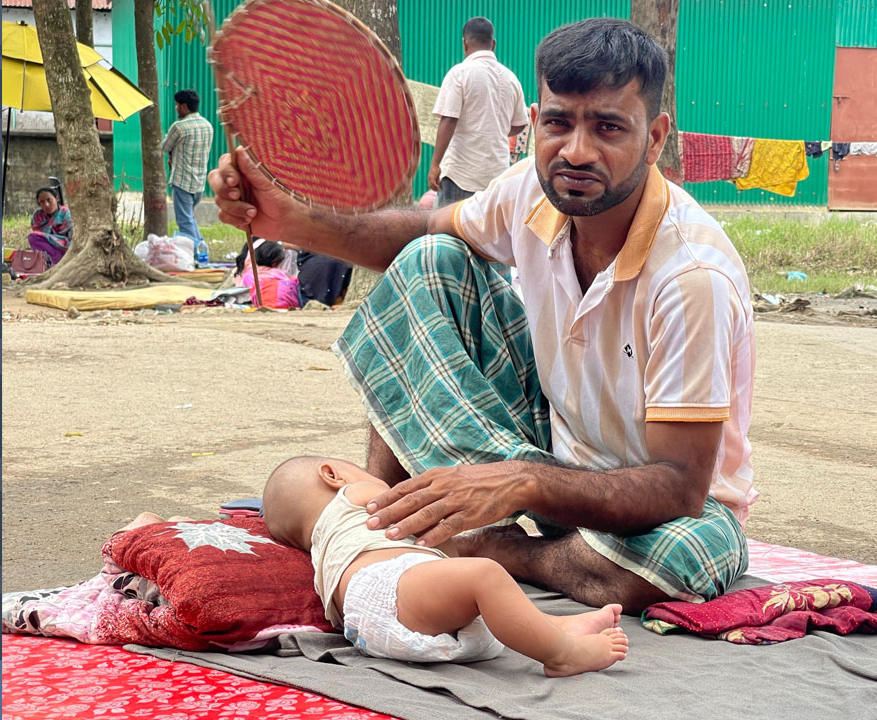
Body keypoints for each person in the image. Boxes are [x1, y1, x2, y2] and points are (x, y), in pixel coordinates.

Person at [210, 19, 756, 614]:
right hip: (555, 447)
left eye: (608, 127)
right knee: (431, 259)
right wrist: (289, 220)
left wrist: (521, 481)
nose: (576, 151)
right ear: (534, 121)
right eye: (559, 123)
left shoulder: (691, 277)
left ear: (653, 139)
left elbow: (678, 485)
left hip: (667, 508)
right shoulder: (530, 190)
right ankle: (388, 511)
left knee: (682, 554)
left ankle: (499, 549)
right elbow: (423, 228)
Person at [263, 455, 628, 676]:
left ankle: (559, 627)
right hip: (387, 586)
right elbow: (430, 522)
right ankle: (563, 655)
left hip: (364, 626)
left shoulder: (322, 549)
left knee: (486, 601)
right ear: (333, 475)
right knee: (485, 575)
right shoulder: (356, 496)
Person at [428, 17, 528, 208]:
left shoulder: (459, 73)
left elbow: (449, 120)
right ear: (493, 44)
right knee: (487, 228)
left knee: (447, 226)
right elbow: (520, 124)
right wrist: (496, 128)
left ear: (465, 43)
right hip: (496, 176)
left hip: (460, 174)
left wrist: (435, 165)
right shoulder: (511, 78)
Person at [162, 89, 215, 246]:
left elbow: (164, 146)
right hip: (199, 184)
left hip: (182, 182)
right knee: (189, 219)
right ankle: (201, 249)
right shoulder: (208, 126)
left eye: (177, 105)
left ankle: (196, 254)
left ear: (184, 107)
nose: (176, 108)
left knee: (185, 222)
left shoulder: (179, 127)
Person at [235, 238, 301, 309]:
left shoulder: (247, 275)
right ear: (275, 263)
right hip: (275, 301)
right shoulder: (277, 273)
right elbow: (286, 284)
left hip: (254, 302)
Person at [28, 186, 72, 265]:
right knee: (32, 237)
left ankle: (57, 261)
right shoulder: (38, 216)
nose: (47, 205)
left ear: (56, 198)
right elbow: (39, 237)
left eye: (49, 200)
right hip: (48, 249)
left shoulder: (66, 213)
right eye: (42, 202)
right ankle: (47, 261)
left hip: (64, 247)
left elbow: (72, 236)